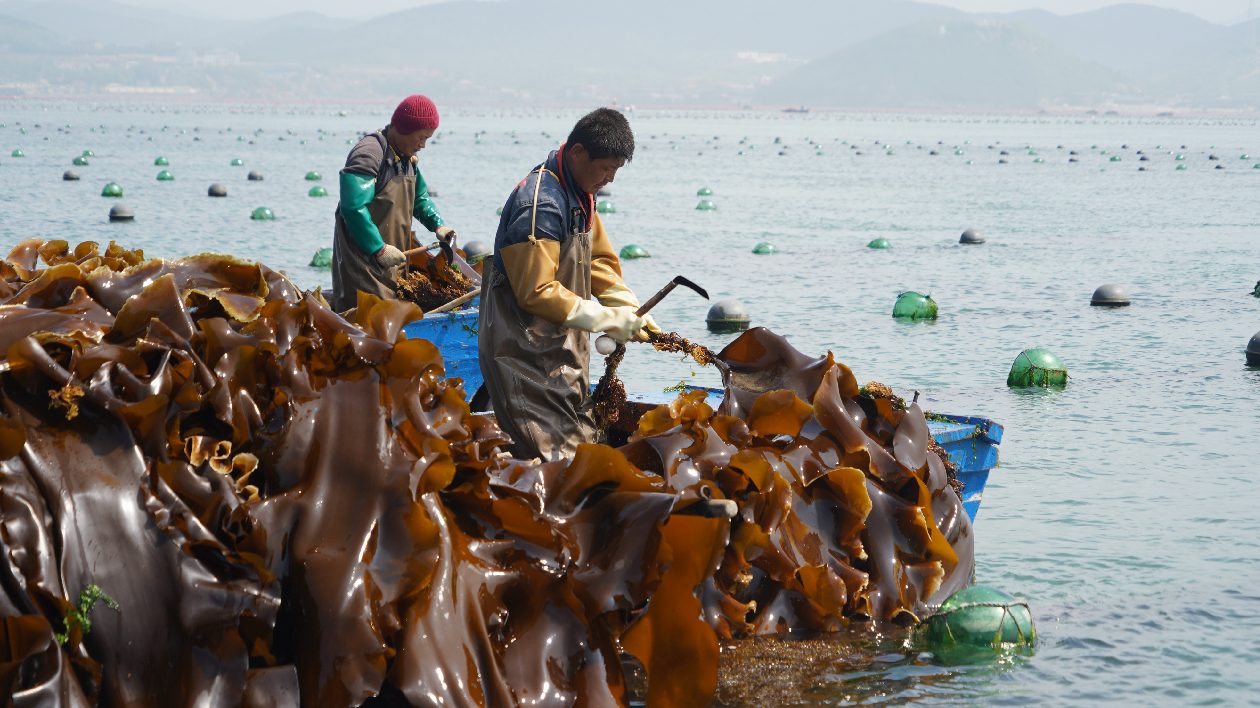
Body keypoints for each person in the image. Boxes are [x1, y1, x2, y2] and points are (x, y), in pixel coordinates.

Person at [478, 108, 658, 461]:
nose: (610, 179)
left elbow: (599, 261)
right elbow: (536, 291)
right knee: (552, 460)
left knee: (584, 445)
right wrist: (608, 320)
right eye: (606, 168)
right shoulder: (541, 204)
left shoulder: (581, 192)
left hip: (564, 351)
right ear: (577, 153)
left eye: (616, 170)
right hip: (522, 353)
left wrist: (624, 304)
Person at [330, 94, 457, 312]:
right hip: (364, 265)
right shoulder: (369, 153)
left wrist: (438, 225)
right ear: (404, 128)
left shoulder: (406, 158)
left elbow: (420, 199)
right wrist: (378, 249)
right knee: (370, 323)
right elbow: (353, 207)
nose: (423, 145)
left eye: (428, 138)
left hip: (394, 263)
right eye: (421, 137)